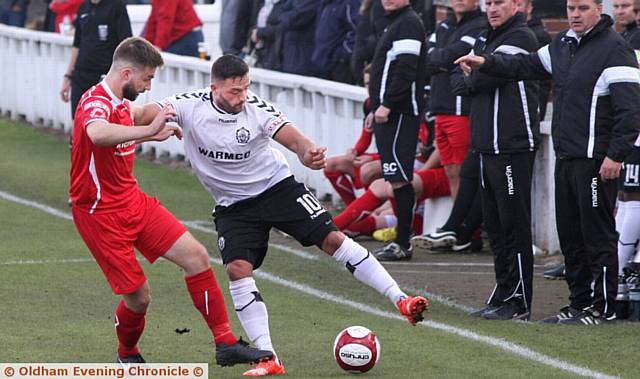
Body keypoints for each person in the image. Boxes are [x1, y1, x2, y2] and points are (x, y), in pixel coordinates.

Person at [153, 54, 428, 376]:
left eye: (245, 89)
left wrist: (308, 153)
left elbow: (294, 138)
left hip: (277, 188)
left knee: (333, 239)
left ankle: (401, 300)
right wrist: (154, 119)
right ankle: (269, 357)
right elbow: (147, 111)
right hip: (233, 206)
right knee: (237, 269)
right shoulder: (188, 105)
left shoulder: (255, 109)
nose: (241, 97)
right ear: (214, 88)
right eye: (234, 91)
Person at [70, 37, 274, 366]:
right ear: (126, 74)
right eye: (147, 78)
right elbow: (98, 133)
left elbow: (135, 119)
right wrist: (149, 131)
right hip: (99, 213)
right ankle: (127, 353)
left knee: (196, 257)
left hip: (132, 201)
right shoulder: (94, 101)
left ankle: (224, 343)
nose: (149, 86)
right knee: (139, 297)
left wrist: (166, 121)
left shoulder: (123, 100)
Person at [456, 0, 640, 324]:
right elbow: (522, 66)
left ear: (599, 9)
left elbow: (631, 111)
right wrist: (485, 61)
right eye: (570, 8)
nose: (574, 14)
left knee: (596, 236)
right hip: (566, 156)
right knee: (570, 237)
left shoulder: (615, 48)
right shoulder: (562, 45)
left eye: (582, 8)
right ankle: (579, 303)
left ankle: (603, 308)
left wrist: (615, 155)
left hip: (596, 160)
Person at [451, 0, 540, 320]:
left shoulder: (522, 38)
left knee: (514, 225)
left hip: (513, 145)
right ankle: (503, 292)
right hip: (486, 146)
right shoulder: (484, 38)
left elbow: (483, 79)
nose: (492, 8)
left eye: (500, 2)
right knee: (495, 226)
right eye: (488, 2)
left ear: (517, 5)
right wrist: (473, 75)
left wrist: (475, 74)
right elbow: (457, 81)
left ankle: (519, 300)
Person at [368, 0, 427, 261]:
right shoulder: (394, 23)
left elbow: (405, 70)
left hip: (401, 112)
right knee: (395, 178)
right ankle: (401, 239)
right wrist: (374, 108)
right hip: (388, 112)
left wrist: (388, 105)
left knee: (400, 177)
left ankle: (404, 242)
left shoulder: (409, 23)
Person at [427, 0, 486, 201]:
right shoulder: (444, 24)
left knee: (464, 171)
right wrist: (441, 61)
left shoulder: (480, 24)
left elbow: (452, 57)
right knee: (451, 170)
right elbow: (428, 56)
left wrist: (440, 61)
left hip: (460, 110)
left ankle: (470, 229)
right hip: (439, 107)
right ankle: (456, 227)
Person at [59, 0, 132, 119]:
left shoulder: (117, 6)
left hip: (104, 76)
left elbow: (126, 44)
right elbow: (77, 45)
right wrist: (68, 76)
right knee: (78, 123)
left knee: (102, 121)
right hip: (80, 75)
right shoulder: (84, 7)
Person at [312, 0, 360, 84]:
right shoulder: (325, 4)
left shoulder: (350, 3)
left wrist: (341, 54)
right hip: (321, 61)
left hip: (339, 65)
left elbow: (358, 31)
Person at [518, 0, 552, 121]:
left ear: (529, 7)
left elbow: (540, 81)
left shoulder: (537, 36)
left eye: (518, 5)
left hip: (527, 111)